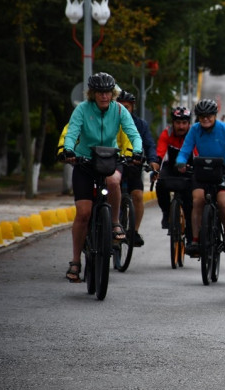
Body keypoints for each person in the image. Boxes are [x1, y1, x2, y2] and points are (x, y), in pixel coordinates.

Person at [61, 72, 143, 283]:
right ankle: (76, 261)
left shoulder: (119, 110)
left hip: (108, 159)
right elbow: (72, 132)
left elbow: (133, 133)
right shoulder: (82, 109)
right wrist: (69, 150)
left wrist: (137, 151)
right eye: (100, 92)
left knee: (114, 181)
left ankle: (115, 223)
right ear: (93, 93)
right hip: (85, 161)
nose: (104, 96)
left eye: (107, 92)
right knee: (83, 213)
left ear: (112, 93)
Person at [176, 99, 225, 256]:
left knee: (223, 202)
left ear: (215, 115)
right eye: (202, 116)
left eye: (209, 115)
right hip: (202, 168)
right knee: (198, 199)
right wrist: (181, 162)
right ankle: (195, 240)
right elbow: (185, 150)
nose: (205, 119)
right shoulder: (195, 130)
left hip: (224, 169)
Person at [116, 90, 159, 247]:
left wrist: (153, 161)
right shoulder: (109, 122)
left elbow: (149, 144)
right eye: (119, 107)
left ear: (133, 107)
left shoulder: (140, 124)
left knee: (138, 196)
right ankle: (111, 225)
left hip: (133, 167)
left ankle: (133, 231)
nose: (123, 110)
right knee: (112, 196)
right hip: (112, 167)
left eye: (126, 107)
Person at [155, 106, 196, 245]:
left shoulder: (193, 134)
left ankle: (191, 239)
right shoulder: (167, 133)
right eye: (178, 123)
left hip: (190, 168)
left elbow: (197, 154)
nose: (181, 126)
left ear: (189, 123)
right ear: (173, 123)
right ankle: (167, 214)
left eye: (184, 123)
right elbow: (160, 153)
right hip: (171, 167)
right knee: (160, 184)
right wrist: (155, 168)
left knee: (190, 204)